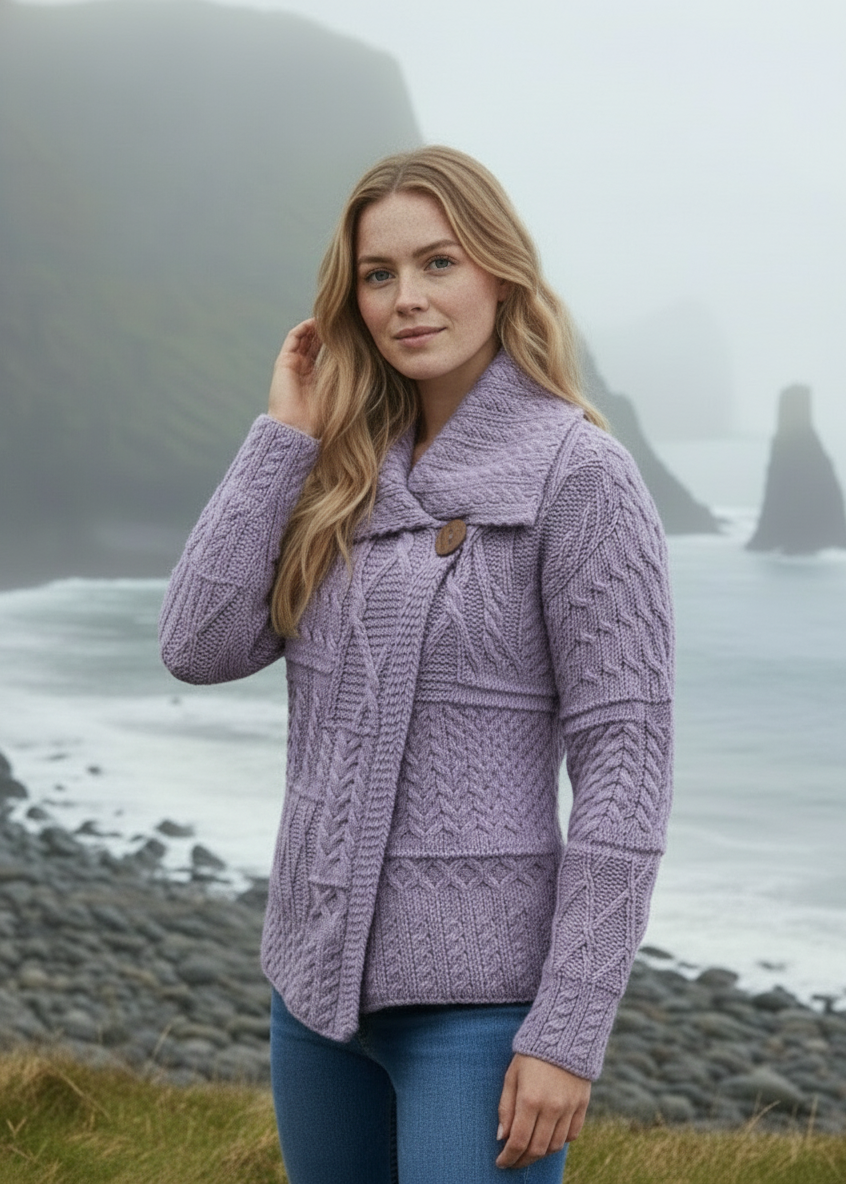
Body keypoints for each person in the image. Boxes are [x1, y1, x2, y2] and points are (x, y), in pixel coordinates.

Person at [159, 145, 674, 1182]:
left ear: (499, 271)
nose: (408, 298)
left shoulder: (582, 476)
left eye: (439, 263)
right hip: (313, 999)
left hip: (482, 1014)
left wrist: (566, 1027)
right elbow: (199, 643)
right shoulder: (342, 469)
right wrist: (281, 440)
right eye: (380, 273)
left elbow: (627, 764)